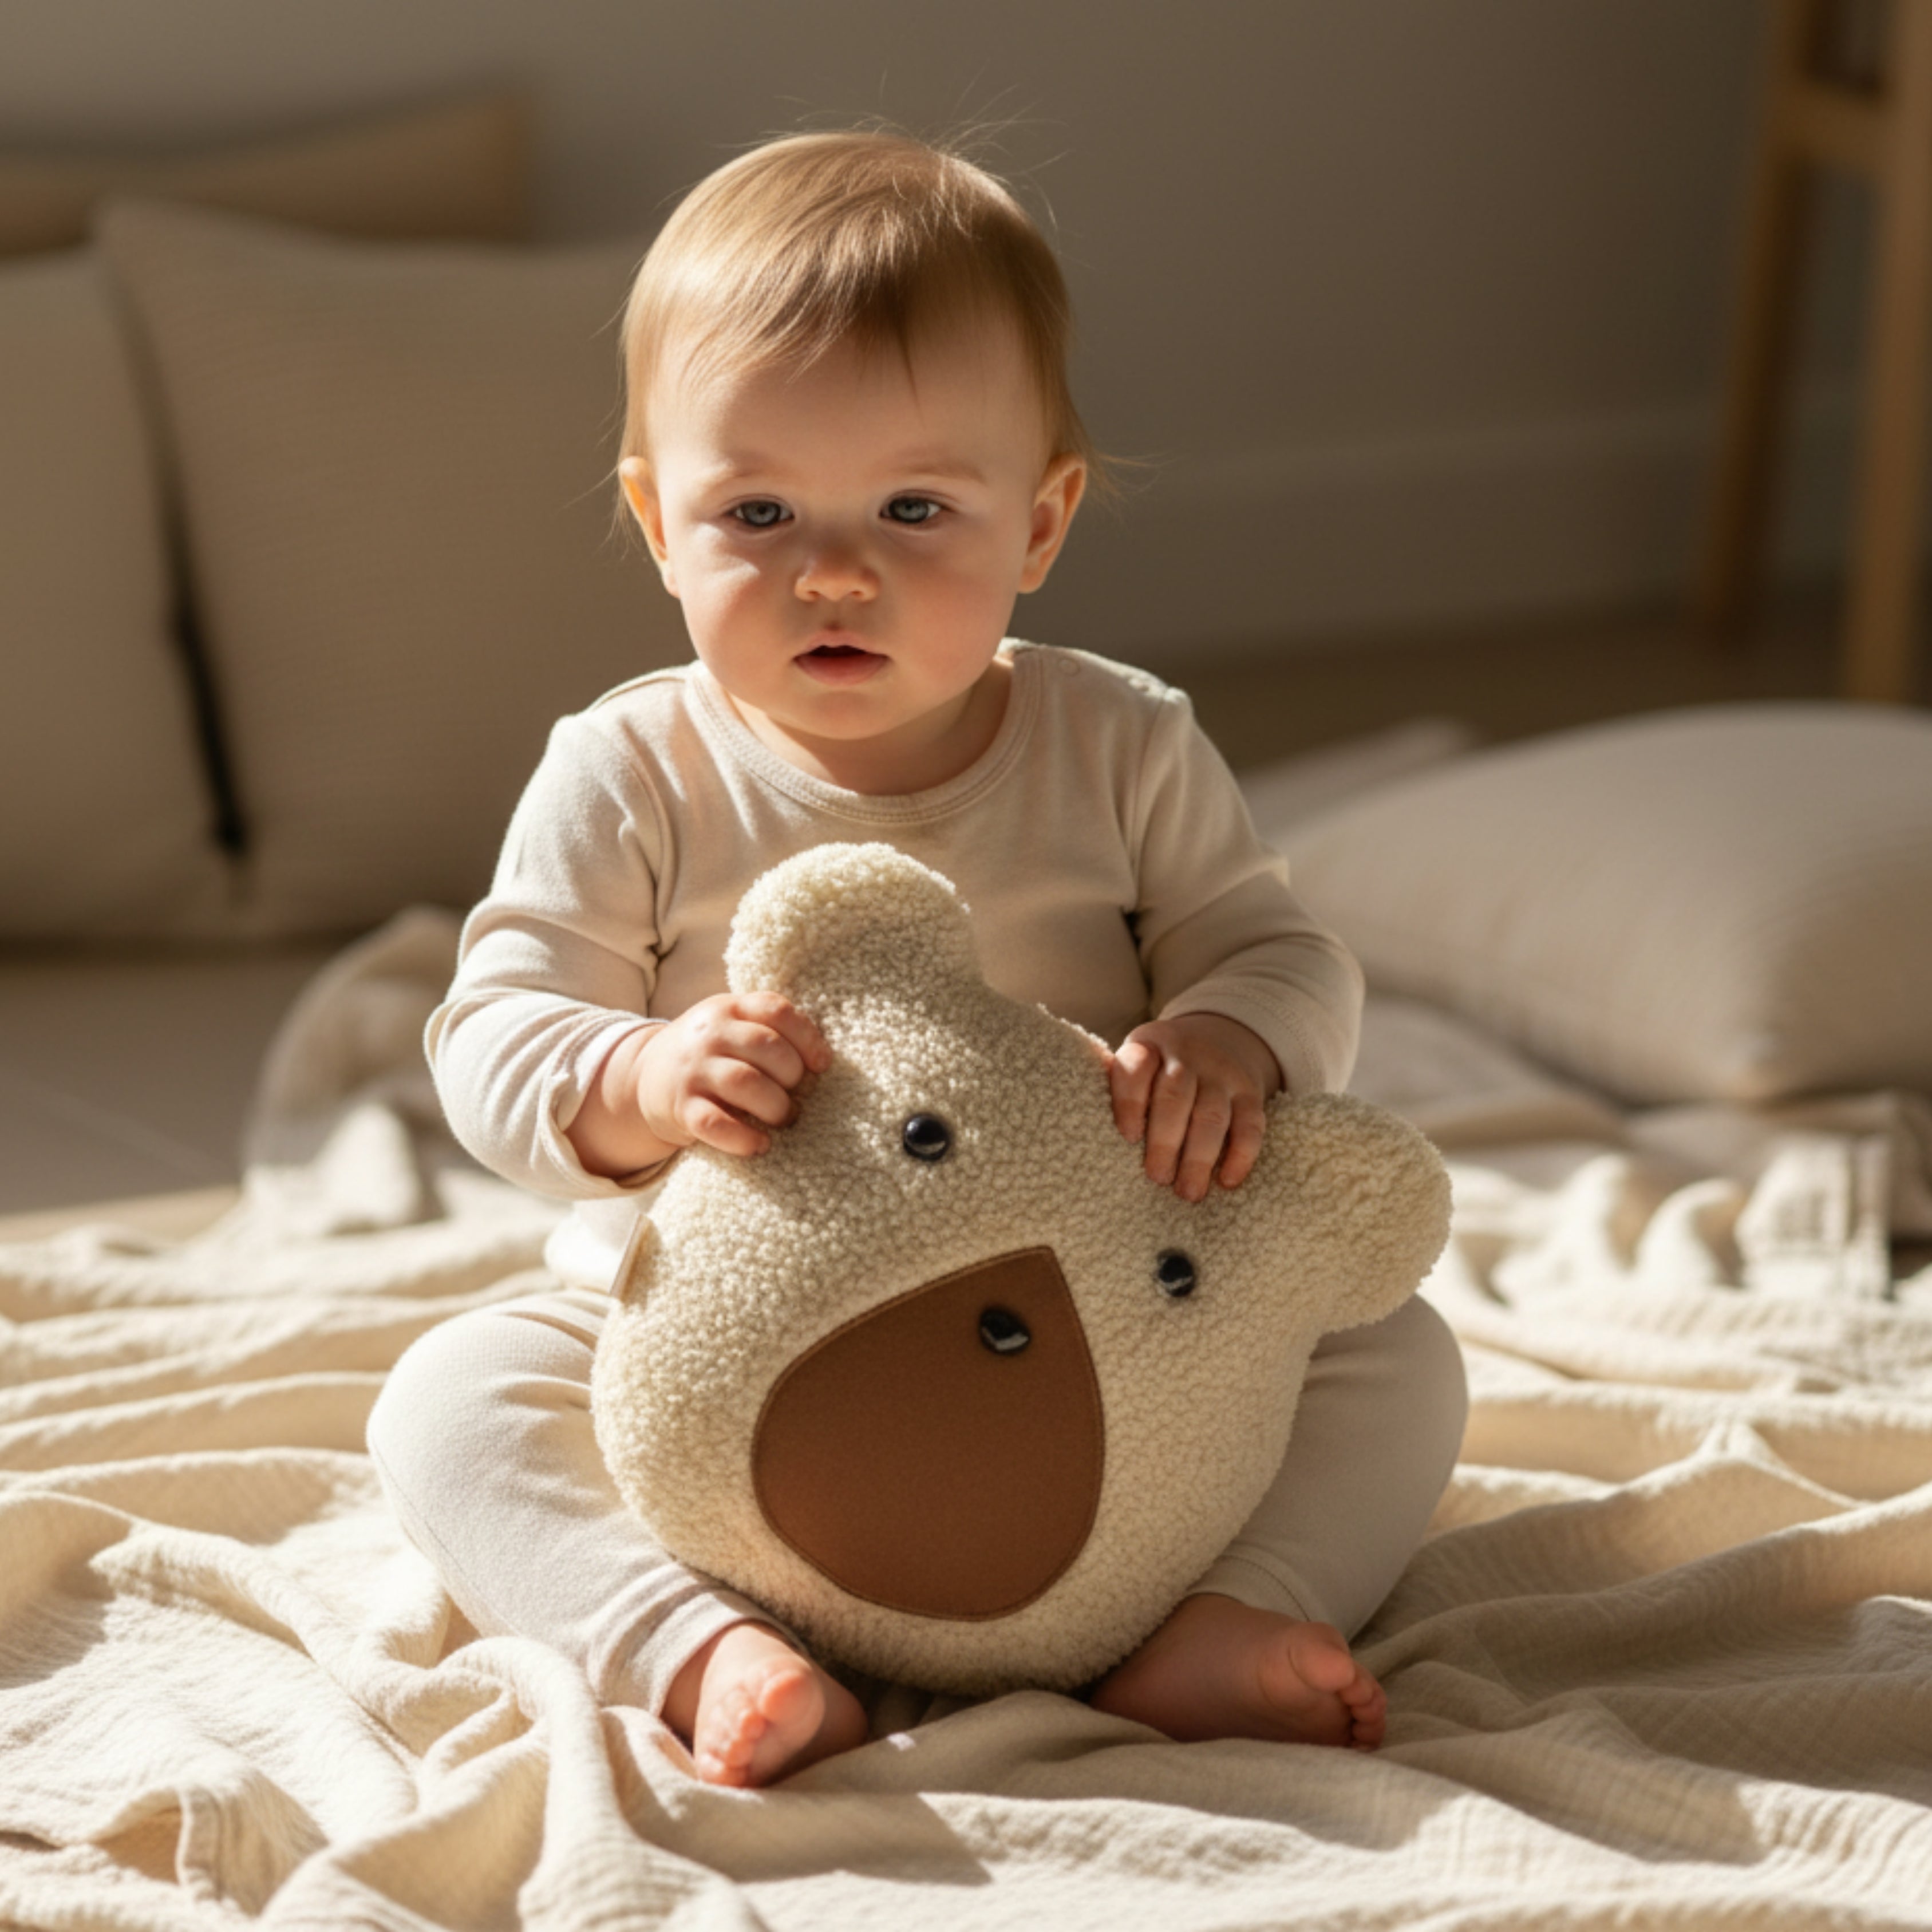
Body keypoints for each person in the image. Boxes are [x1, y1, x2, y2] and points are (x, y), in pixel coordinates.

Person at [367, 127, 1467, 1792]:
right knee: (450, 1400)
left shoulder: (1122, 742)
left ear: (1041, 521)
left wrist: (1236, 1042)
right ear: (659, 525)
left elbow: (1279, 948)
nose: (834, 567)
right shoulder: (631, 769)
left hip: (1108, 1330)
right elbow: (494, 1023)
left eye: (914, 507)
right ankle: (694, 1642)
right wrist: (638, 1079)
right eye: (758, 510)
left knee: (1396, 1350)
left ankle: (1225, 1619)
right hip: (727, 1350)